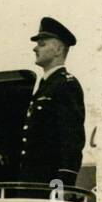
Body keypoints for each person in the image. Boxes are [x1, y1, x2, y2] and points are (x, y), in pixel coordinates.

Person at [15, 18, 84, 189]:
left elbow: (71, 140)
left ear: (58, 49)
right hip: (30, 182)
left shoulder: (66, 85)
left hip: (48, 184)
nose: (35, 48)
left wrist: (62, 186)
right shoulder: (45, 86)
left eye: (42, 44)